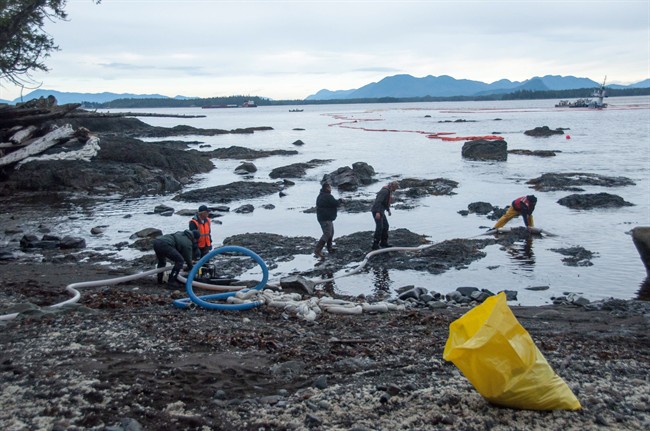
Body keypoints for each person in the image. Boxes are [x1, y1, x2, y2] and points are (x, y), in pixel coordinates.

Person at [314, 183, 343, 258]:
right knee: (327, 234)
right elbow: (335, 203)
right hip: (325, 219)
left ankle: (329, 248)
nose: (331, 189)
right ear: (327, 188)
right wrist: (340, 201)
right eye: (330, 187)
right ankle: (318, 250)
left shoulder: (321, 195)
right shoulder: (327, 196)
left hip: (324, 218)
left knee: (331, 233)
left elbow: (331, 203)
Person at [371, 181, 399, 250]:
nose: (396, 190)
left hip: (381, 211)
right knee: (379, 227)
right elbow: (378, 201)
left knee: (386, 226)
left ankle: (383, 243)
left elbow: (385, 202)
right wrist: (377, 212)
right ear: (392, 186)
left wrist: (388, 210)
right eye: (396, 188)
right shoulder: (385, 191)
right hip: (377, 211)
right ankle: (375, 245)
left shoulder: (388, 191)